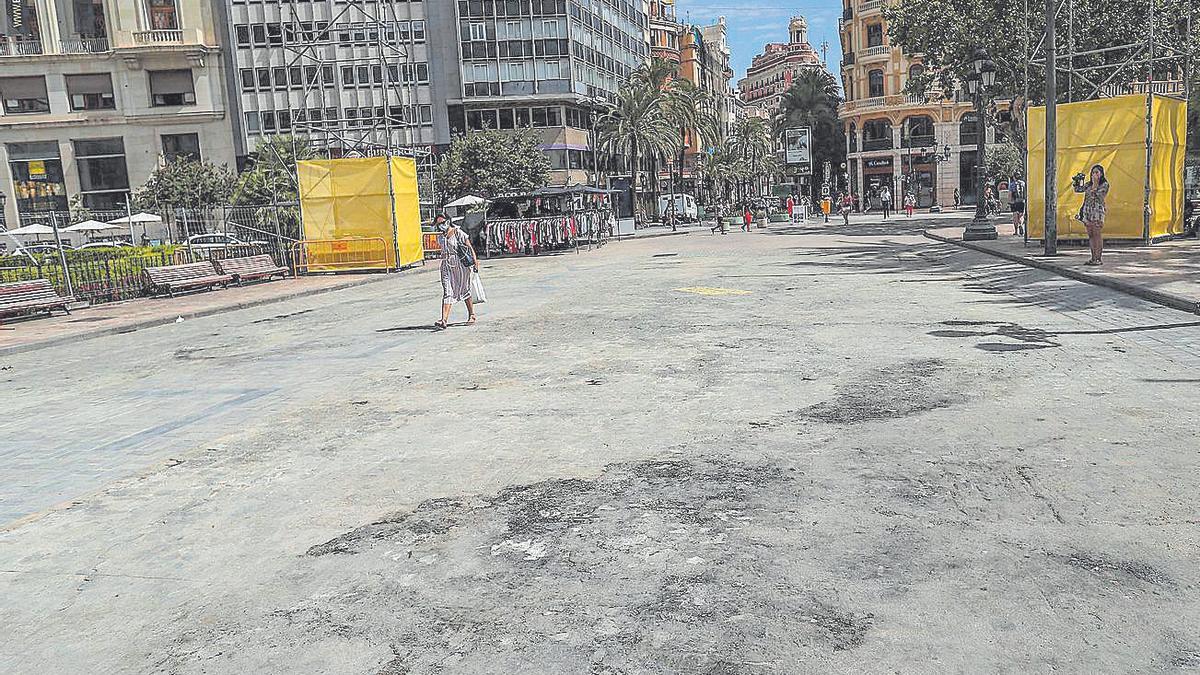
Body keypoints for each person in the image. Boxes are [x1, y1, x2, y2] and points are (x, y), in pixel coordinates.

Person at [434, 215, 480, 329]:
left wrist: (475, 261)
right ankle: (444, 319)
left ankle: (472, 314)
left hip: (461, 265)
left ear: (448, 221)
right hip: (446, 266)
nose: (441, 225)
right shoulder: (441, 237)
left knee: (465, 289)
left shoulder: (458, 232)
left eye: (443, 222)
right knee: (447, 291)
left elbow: (469, 247)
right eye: (438, 224)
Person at [1074, 164, 1110, 265]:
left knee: (1097, 234)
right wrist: (1077, 181)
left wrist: (1095, 183)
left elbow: (1098, 195)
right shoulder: (1088, 184)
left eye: (1096, 172)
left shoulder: (1104, 184)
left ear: (1101, 174)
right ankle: (1093, 257)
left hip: (1097, 210)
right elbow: (1078, 190)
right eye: (1093, 172)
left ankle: (1098, 258)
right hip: (1087, 210)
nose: (1094, 174)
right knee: (1090, 234)